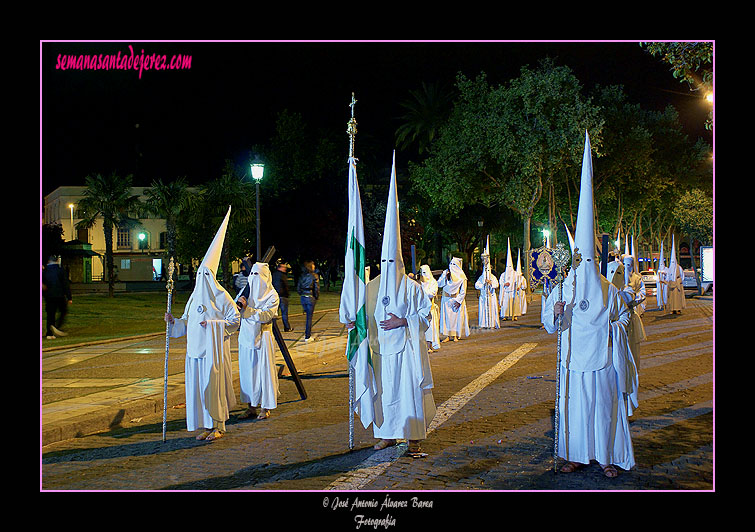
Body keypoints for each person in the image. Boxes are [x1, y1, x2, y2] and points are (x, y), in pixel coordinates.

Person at [541, 132, 637, 478]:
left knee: (603, 410)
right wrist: (554, 314)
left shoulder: (610, 289)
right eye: (577, 260)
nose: (583, 267)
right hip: (571, 360)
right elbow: (550, 323)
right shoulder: (565, 286)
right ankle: (577, 454)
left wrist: (612, 328)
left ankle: (607, 456)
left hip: (602, 361)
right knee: (575, 409)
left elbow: (627, 320)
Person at [349, 152, 435, 456]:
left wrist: (404, 321)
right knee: (384, 394)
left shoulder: (412, 288)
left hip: (407, 351)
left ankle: (412, 438)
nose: (387, 264)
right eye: (383, 260)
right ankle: (386, 434)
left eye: (391, 260)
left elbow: (426, 315)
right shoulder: (370, 288)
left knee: (408, 393)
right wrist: (352, 324)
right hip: (379, 350)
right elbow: (362, 316)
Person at [165, 206, 239, 442]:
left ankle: (218, 426)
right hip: (195, 353)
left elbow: (234, 320)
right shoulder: (194, 297)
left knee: (212, 389)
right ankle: (205, 425)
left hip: (213, 354)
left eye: (205, 275)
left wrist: (215, 324)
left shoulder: (222, 296)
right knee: (198, 391)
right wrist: (174, 321)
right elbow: (187, 321)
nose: (201, 279)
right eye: (199, 274)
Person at [237, 262, 280, 420]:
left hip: (263, 339)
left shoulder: (272, 296)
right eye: (252, 275)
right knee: (248, 373)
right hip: (246, 338)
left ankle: (265, 406)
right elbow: (235, 310)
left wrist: (247, 310)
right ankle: (251, 406)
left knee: (263, 372)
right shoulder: (246, 293)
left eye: (258, 275)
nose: (254, 279)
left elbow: (266, 316)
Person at [437, 257, 470, 342]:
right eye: (451, 264)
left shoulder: (462, 277)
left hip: (455, 299)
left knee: (455, 318)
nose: (452, 266)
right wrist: (445, 277)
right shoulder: (446, 273)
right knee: (447, 318)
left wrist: (458, 301)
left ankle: (455, 335)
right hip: (446, 298)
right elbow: (439, 284)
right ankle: (447, 335)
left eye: (454, 264)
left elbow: (463, 291)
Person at [42, 255, 72, 339]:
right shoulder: (60, 270)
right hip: (59, 295)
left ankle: (49, 333)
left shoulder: (45, 271)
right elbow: (65, 284)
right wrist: (69, 297)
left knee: (50, 313)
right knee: (63, 311)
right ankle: (56, 327)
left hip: (48, 296)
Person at [474, 237, 500, 329]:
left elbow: (496, 285)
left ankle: (492, 324)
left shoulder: (493, 277)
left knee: (491, 309)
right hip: (483, 297)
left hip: (491, 296)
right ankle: (484, 324)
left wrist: (491, 283)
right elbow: (477, 285)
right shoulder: (481, 277)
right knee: (483, 310)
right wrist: (483, 284)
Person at [419, 264, 441, 352]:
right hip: (420, 309)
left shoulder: (433, 282)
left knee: (430, 328)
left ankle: (429, 345)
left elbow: (432, 293)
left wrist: (422, 291)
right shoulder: (418, 282)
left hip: (429, 309)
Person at [297, 260, 320, 341]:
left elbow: (298, 287)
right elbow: (316, 288)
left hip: (303, 297)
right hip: (310, 297)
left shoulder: (302, 276)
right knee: (309, 317)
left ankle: (308, 334)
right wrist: (316, 297)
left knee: (307, 316)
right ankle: (307, 336)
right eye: (313, 265)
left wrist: (301, 294)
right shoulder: (314, 276)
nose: (314, 266)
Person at [663, 235, 686, 315]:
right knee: (672, 299)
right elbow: (668, 277)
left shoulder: (679, 267)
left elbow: (682, 276)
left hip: (677, 286)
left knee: (678, 299)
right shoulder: (670, 268)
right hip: (671, 286)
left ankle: (678, 309)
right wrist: (665, 281)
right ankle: (673, 309)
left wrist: (678, 281)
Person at [499, 239, 520, 321]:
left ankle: (514, 315)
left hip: (512, 291)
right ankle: (505, 315)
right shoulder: (503, 274)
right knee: (505, 304)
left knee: (513, 303)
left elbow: (517, 281)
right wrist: (504, 284)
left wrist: (516, 286)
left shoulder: (515, 273)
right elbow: (500, 282)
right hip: (506, 291)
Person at [272, 260, 293, 331]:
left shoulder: (274, 275)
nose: (285, 269)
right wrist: (287, 294)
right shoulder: (283, 275)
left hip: (275, 296)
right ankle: (287, 327)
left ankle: (273, 327)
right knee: (284, 313)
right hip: (283, 296)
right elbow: (285, 286)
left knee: (274, 313)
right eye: (283, 267)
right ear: (279, 268)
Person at [656, 240, 668, 311]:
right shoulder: (659, 270)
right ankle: (660, 304)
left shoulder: (666, 269)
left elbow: (668, 276)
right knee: (660, 295)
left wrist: (664, 280)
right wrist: (659, 281)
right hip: (660, 285)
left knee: (665, 295)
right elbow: (657, 277)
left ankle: (665, 304)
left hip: (665, 285)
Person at [515, 248, 528, 316]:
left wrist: (521, 286)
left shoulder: (523, 279)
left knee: (522, 301)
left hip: (521, 292)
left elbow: (525, 286)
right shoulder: (514, 278)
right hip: (516, 292)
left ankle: (522, 311)